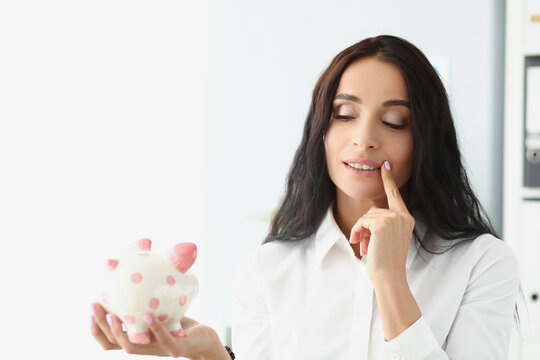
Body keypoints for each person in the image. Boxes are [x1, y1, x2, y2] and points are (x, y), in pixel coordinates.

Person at [90, 35, 521, 359]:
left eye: (393, 121)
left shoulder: (481, 263)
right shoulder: (264, 271)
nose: (364, 139)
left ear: (426, 139)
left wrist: (391, 281)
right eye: (345, 115)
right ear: (321, 131)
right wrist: (214, 357)